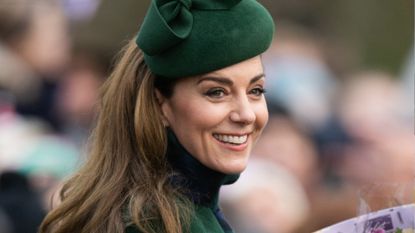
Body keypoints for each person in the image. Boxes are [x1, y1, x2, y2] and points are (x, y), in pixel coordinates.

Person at [39, 0, 275, 232]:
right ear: (159, 104)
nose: (246, 115)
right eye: (216, 92)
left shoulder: (173, 210)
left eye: (256, 91)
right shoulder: (155, 223)